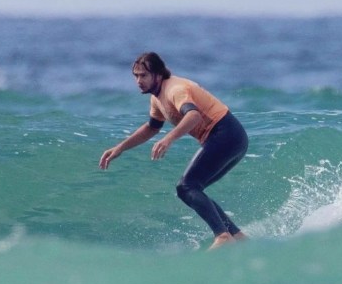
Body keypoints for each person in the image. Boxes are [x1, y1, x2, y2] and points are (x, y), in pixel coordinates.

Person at [99, 52, 250, 250]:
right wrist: (120, 148)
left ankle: (223, 236)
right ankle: (236, 236)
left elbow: (193, 115)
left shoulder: (174, 89)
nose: (138, 81)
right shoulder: (157, 97)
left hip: (225, 134)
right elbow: (152, 127)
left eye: (143, 75)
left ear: (158, 75)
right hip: (233, 137)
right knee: (192, 188)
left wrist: (169, 139)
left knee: (186, 187)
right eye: (135, 76)